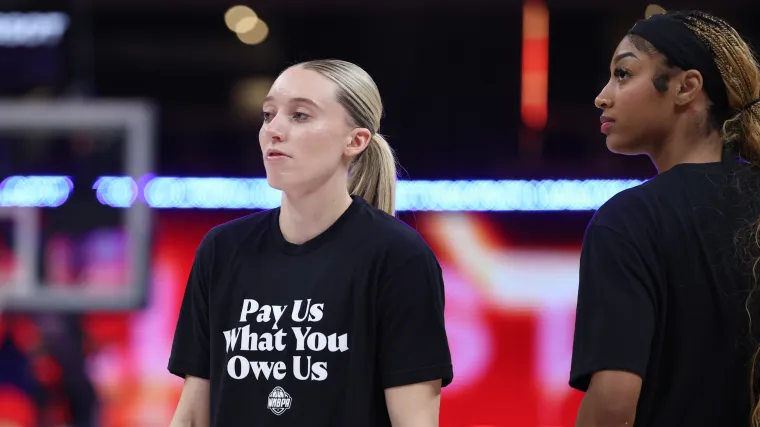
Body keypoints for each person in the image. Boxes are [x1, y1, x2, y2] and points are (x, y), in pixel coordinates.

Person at [167, 59, 453, 427]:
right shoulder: (222, 250)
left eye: (300, 115)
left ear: (355, 140)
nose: (273, 130)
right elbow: (192, 415)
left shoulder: (399, 257)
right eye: (268, 115)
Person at [568, 8, 760, 427]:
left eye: (623, 74)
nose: (602, 96)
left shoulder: (628, 220)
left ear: (686, 87)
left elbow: (613, 403)